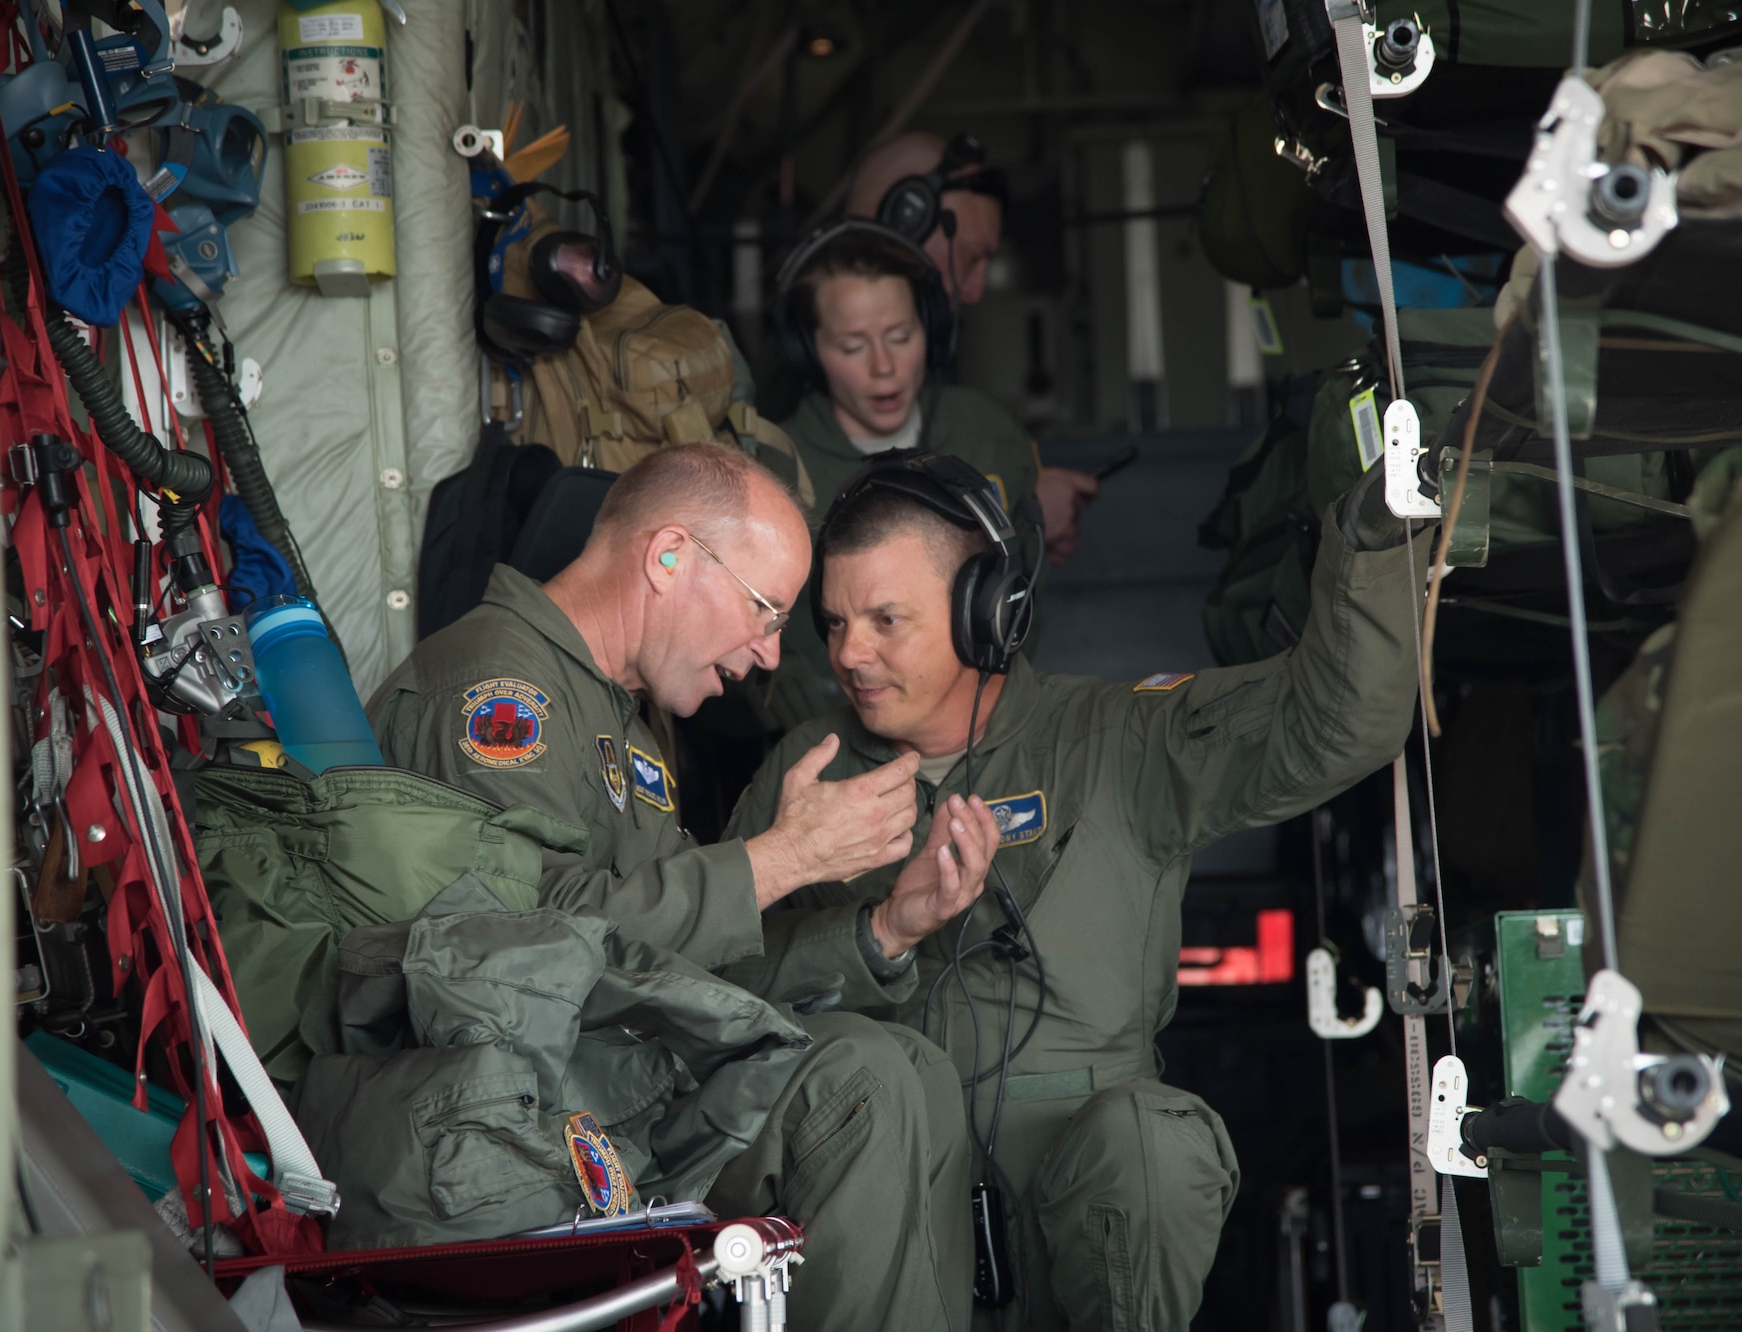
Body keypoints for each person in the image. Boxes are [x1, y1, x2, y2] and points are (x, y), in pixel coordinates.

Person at [724, 452, 1431, 1330]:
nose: (849, 654)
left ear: (986, 611)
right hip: (884, 1199)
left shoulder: (1116, 741)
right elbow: (711, 1005)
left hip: (1083, 1201)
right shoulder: (804, 775)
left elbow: (1333, 725)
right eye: (832, 623)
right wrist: (878, 933)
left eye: (885, 620)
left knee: (1153, 1138)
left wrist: (1368, 544)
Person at [367, 443, 994, 1330]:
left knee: (915, 1068)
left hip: (619, 1083)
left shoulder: (621, 711)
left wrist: (886, 928)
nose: (773, 656)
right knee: (862, 1082)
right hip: (532, 1125)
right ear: (667, 559)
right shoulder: (496, 693)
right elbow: (518, 954)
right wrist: (784, 858)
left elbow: (669, 964)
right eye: (766, 611)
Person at [765, 222, 1077, 731]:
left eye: (900, 336)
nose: (884, 366)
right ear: (807, 349)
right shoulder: (771, 464)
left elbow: (1024, 591)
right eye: (852, 346)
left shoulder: (986, 429)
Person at [846, 131, 1103, 566]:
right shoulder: (787, 419)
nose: (975, 290)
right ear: (904, 223)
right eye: (968, 259)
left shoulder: (978, 421)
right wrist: (1021, 514)